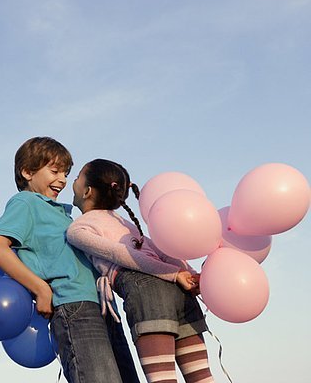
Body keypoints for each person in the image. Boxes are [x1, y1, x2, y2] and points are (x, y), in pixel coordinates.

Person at [0, 138, 139, 383]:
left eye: (66, 173)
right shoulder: (26, 203)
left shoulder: (66, 215)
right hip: (74, 308)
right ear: (27, 172)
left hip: (104, 308)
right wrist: (40, 288)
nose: (63, 179)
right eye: (54, 171)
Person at [66, 158, 214, 383]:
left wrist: (174, 274)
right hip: (179, 291)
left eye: (77, 178)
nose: (73, 181)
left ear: (87, 191)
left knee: (163, 379)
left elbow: (123, 255)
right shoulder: (125, 223)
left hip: (148, 292)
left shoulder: (78, 228)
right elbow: (161, 250)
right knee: (202, 377)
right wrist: (188, 274)